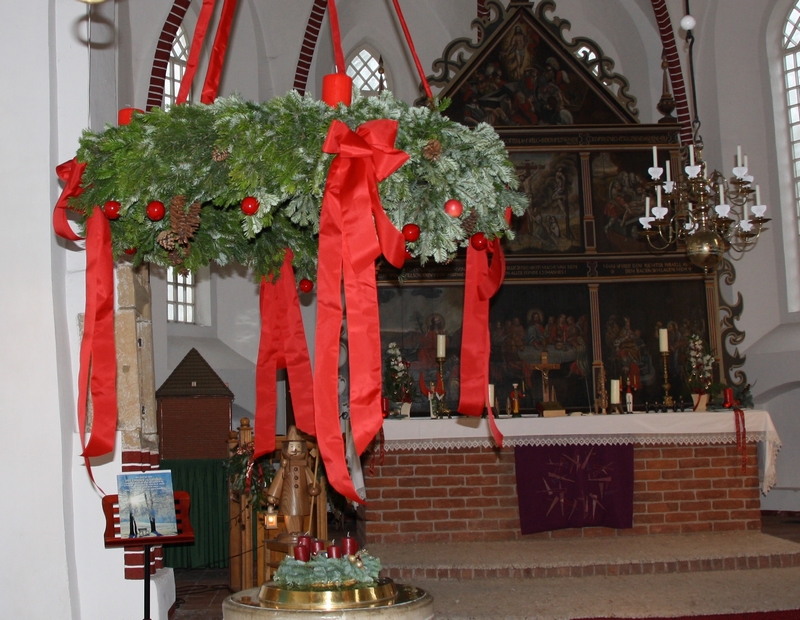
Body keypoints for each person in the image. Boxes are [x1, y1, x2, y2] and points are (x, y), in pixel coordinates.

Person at [267, 426, 320, 534]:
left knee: (300, 514)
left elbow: (312, 480)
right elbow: (278, 480)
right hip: (288, 498)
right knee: (289, 514)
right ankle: (290, 532)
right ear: (286, 448)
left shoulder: (304, 466)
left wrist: (313, 487)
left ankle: (298, 532)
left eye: (298, 446)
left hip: (301, 498)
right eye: (291, 446)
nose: (295, 449)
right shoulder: (285, 467)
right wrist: (273, 495)